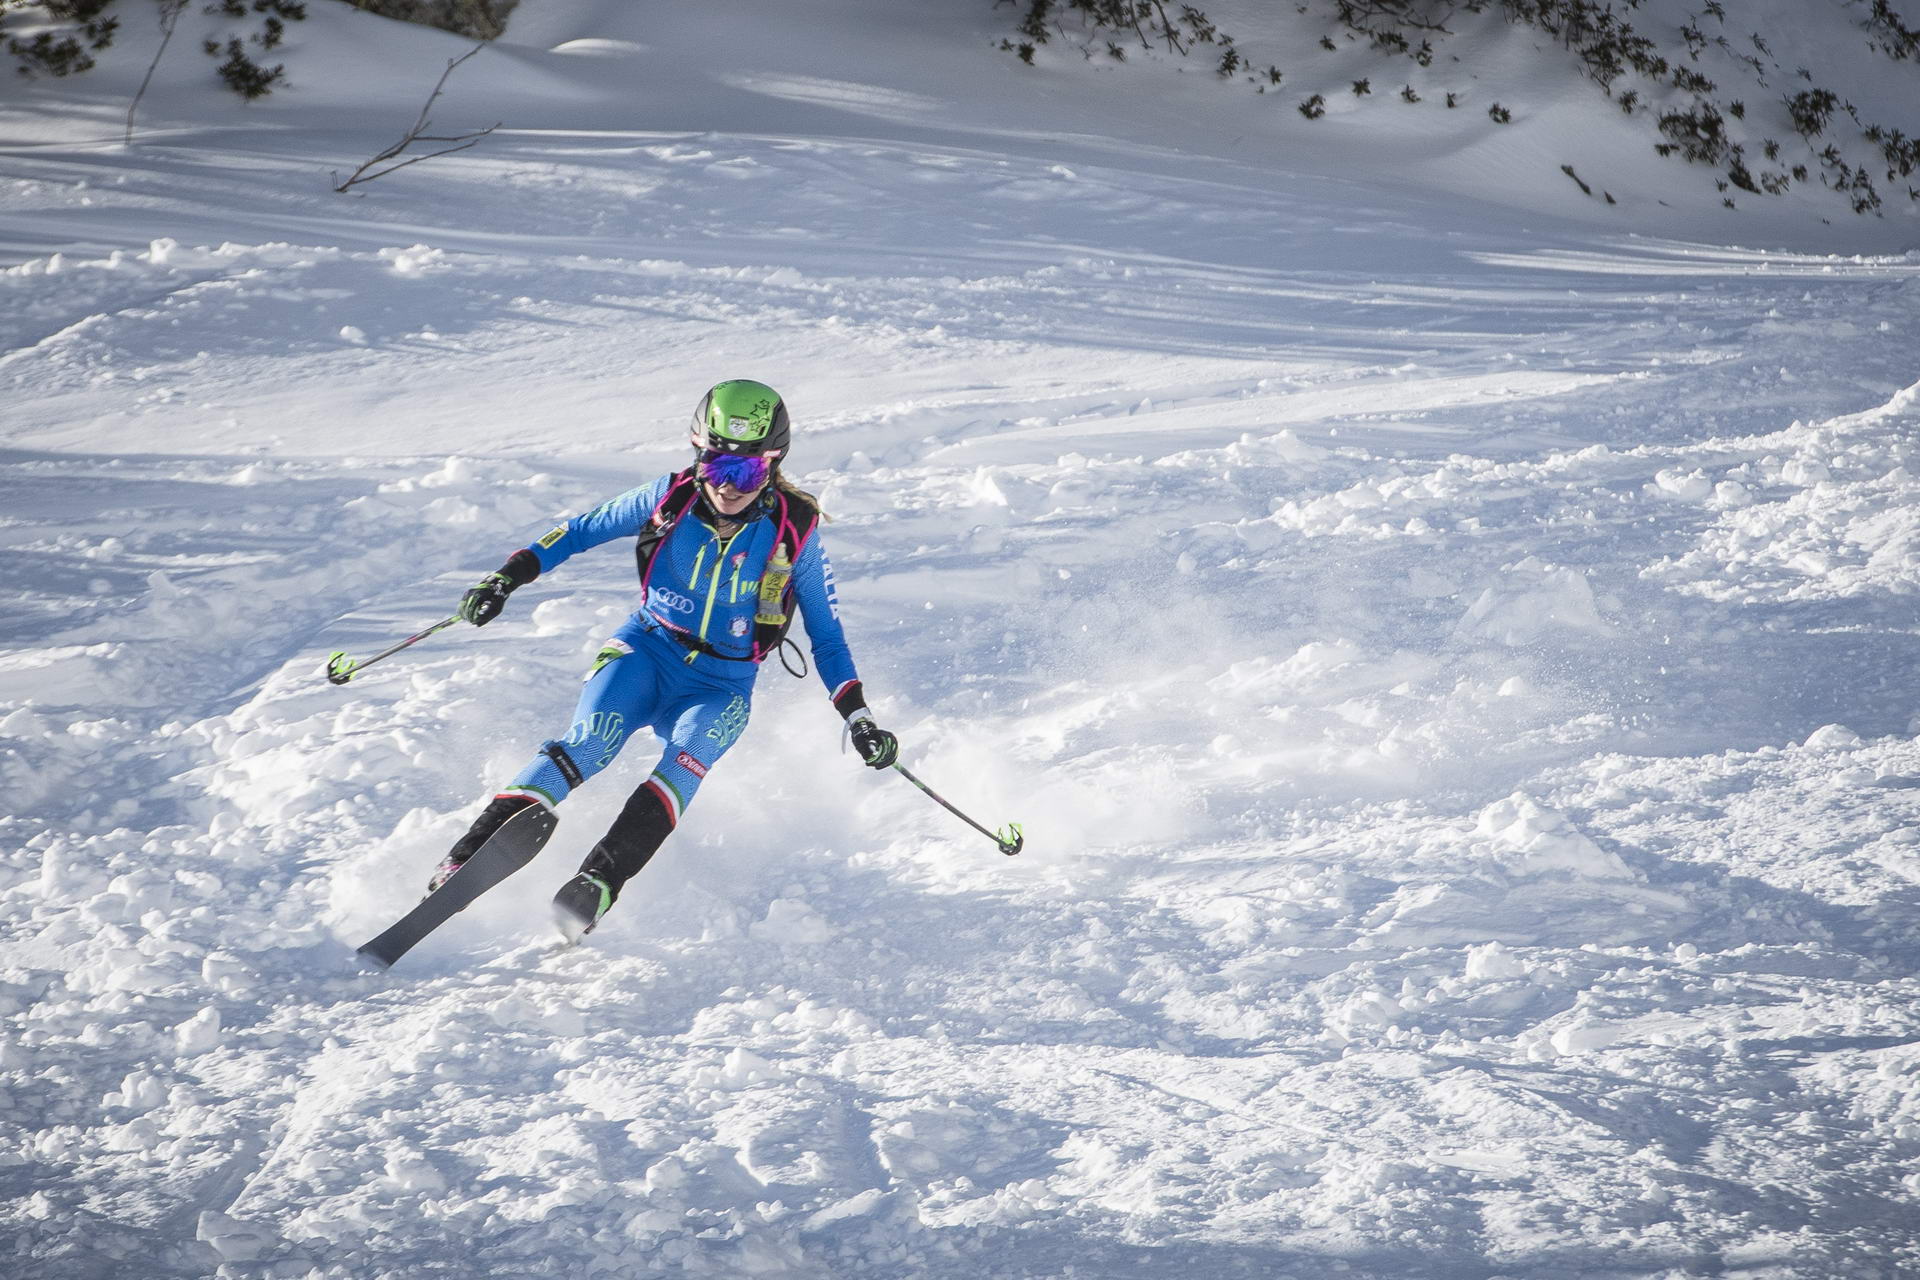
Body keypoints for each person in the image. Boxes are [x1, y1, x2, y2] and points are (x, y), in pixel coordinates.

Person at [429, 378, 899, 941]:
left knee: (686, 760)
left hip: (722, 684)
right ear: (697, 454)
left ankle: (598, 882)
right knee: (590, 741)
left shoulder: (795, 531)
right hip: (646, 651)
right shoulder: (667, 499)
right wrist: (507, 577)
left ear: (773, 467)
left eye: (746, 472)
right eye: (715, 464)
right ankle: (466, 856)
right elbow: (576, 532)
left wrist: (859, 717)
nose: (726, 486)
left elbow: (828, 637)